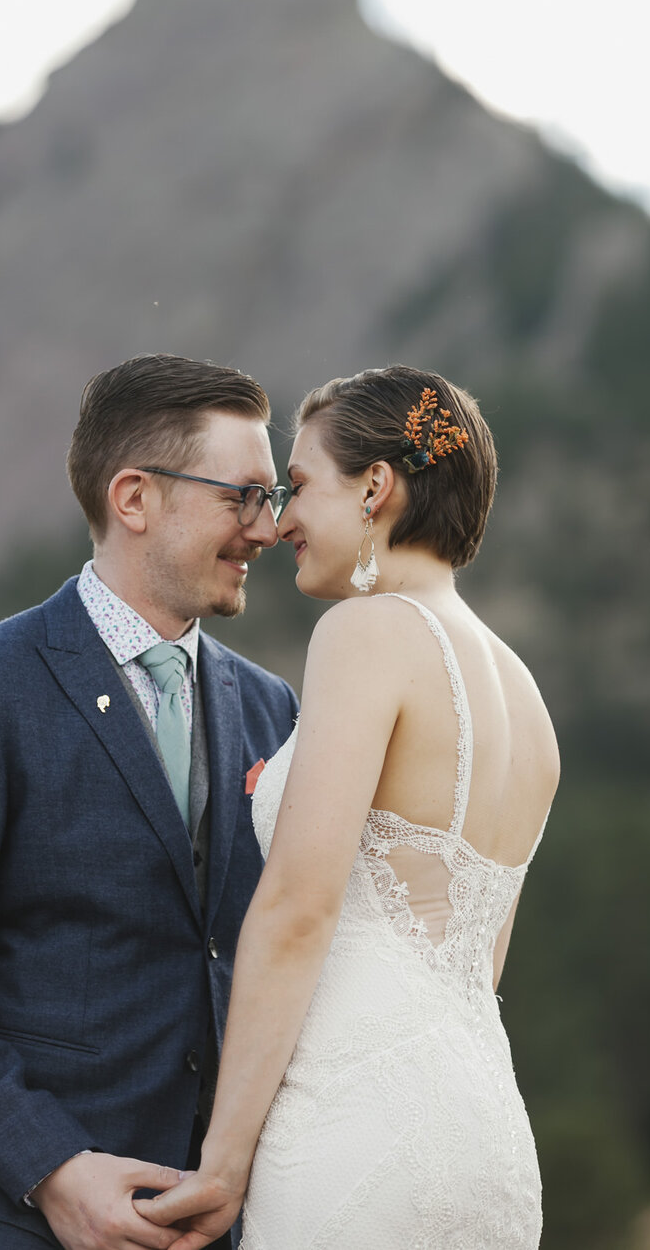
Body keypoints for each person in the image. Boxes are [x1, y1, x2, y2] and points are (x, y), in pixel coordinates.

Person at [0, 353, 299, 1250]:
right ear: (135, 498)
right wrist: (53, 1168)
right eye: (243, 496)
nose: (268, 528)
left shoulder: (273, 707)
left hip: (203, 1223)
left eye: (276, 496)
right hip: (4, 1216)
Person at [138, 364, 560, 1250]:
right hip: (487, 1136)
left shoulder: (368, 633)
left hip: (361, 1130)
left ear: (376, 485)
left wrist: (224, 1158)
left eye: (297, 487)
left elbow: (298, 908)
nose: (280, 519)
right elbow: (477, 963)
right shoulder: (526, 698)